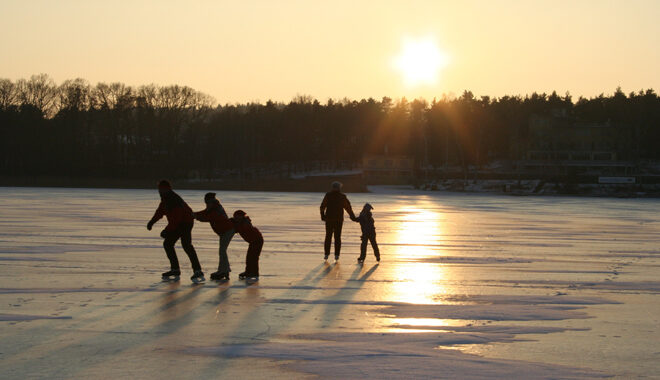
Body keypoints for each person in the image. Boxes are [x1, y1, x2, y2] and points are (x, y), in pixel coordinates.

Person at [147, 180, 204, 282]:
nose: (160, 191)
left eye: (162, 189)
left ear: (168, 189)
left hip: (186, 223)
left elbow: (176, 219)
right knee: (168, 244)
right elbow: (160, 211)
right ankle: (175, 269)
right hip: (178, 223)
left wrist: (166, 230)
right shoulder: (165, 199)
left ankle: (197, 270)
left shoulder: (174, 199)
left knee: (186, 245)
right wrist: (152, 222)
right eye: (159, 189)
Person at [193, 192, 234, 281]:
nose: (206, 204)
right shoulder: (212, 207)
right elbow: (205, 212)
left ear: (211, 201)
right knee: (222, 251)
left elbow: (209, 217)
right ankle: (224, 270)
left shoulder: (216, 208)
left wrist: (196, 217)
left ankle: (223, 271)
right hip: (224, 231)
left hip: (227, 231)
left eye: (207, 202)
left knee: (222, 250)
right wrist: (195, 214)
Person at [319, 181, 356, 261]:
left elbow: (322, 206)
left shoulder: (328, 195)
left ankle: (327, 253)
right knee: (337, 237)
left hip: (330, 219)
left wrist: (323, 215)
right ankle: (336, 254)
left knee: (329, 236)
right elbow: (348, 207)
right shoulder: (342, 196)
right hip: (337, 220)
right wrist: (352, 216)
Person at [229, 210, 263, 281]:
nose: (235, 218)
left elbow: (241, 228)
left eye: (237, 217)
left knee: (253, 257)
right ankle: (250, 272)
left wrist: (235, 224)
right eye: (234, 217)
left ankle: (253, 272)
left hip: (257, 241)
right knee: (250, 257)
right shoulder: (241, 222)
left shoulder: (245, 223)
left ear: (241, 216)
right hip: (253, 241)